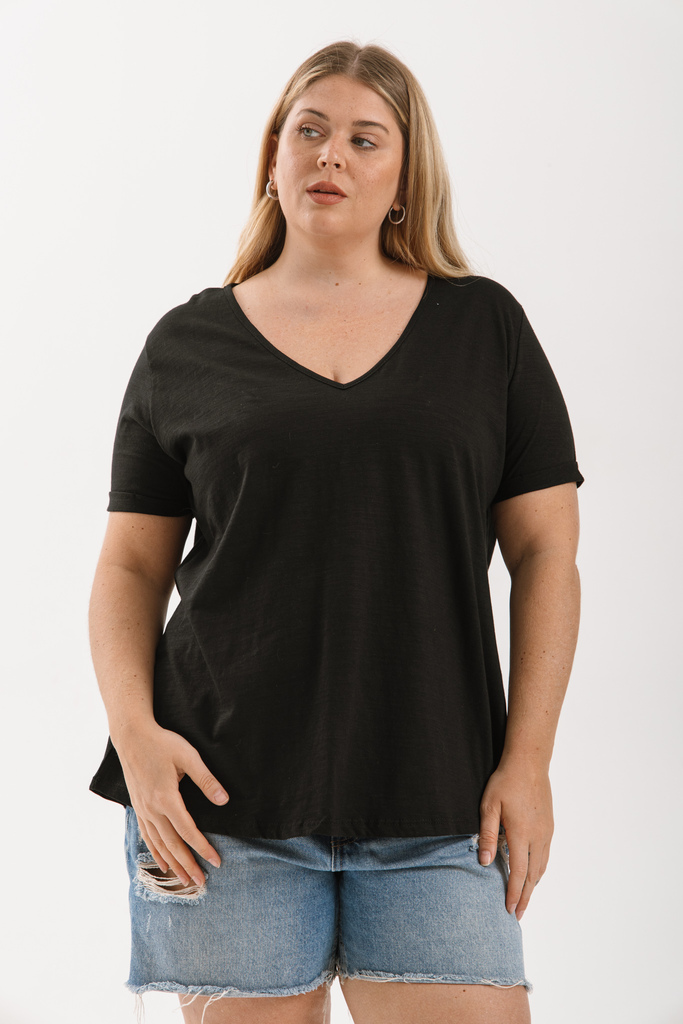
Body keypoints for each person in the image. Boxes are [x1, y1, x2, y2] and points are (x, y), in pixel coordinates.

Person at [89, 39, 583, 1024]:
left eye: (365, 139)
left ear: (403, 178)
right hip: (221, 802)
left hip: (442, 795)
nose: (331, 155)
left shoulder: (484, 329)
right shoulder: (186, 344)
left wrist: (527, 760)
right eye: (308, 130)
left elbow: (545, 554)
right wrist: (136, 739)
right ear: (272, 158)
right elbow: (130, 566)